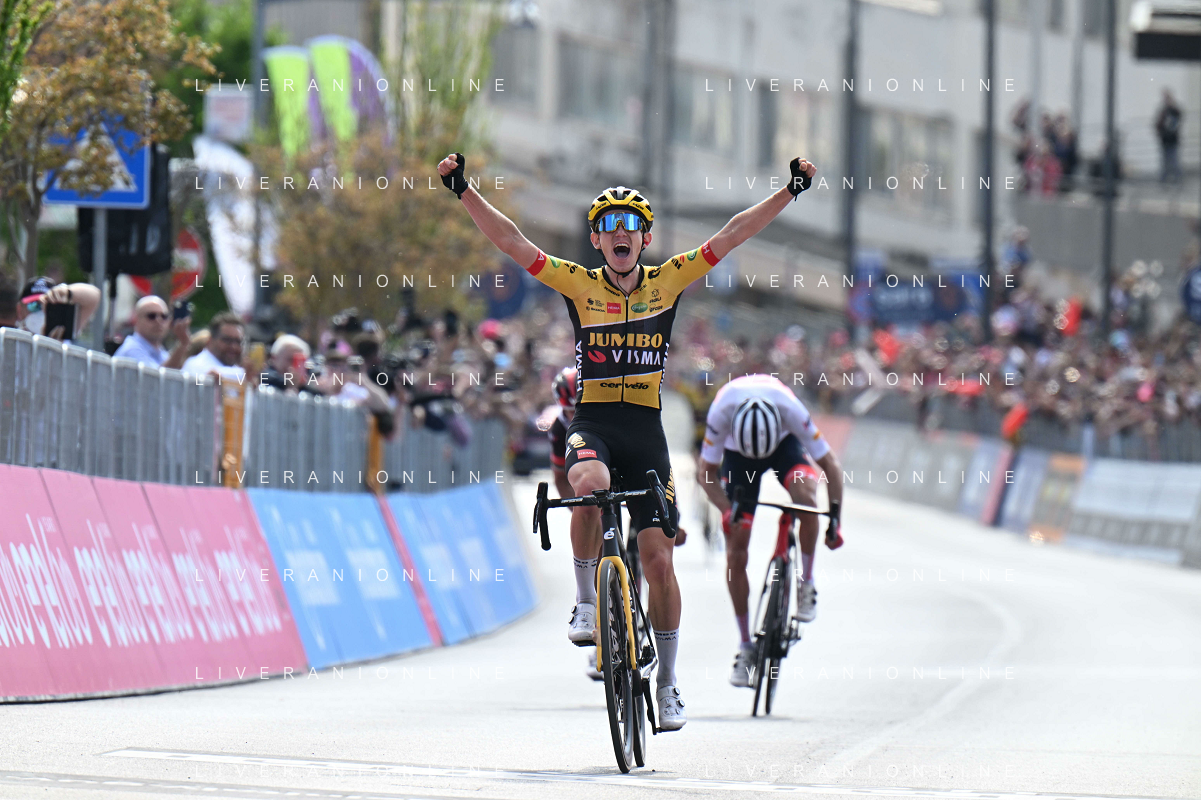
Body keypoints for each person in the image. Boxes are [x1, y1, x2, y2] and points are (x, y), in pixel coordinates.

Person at [437, 149, 817, 730]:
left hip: (646, 433)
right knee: (588, 485)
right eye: (610, 226)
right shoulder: (578, 283)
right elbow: (512, 241)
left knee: (659, 562)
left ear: (644, 239)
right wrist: (464, 189)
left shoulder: (669, 281)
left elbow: (733, 233)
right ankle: (586, 603)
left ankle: (667, 684)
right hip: (595, 422)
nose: (621, 233)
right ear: (596, 239)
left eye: (631, 225)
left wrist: (788, 191)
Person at [696, 374, 844, 688]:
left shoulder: (790, 408)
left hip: (784, 447)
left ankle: (806, 583)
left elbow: (830, 464)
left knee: (806, 499)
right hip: (738, 458)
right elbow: (705, 473)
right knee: (737, 550)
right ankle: (745, 646)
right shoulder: (721, 411)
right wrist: (727, 511)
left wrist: (835, 521)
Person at [113, 296, 192, 368]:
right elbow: (156, 377)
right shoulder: (131, 349)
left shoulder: (161, 353)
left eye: (164, 316)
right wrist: (183, 344)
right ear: (136, 320)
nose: (159, 321)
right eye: (151, 316)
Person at [15, 277, 101, 341]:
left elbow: (95, 296)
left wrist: (67, 293)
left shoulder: (65, 331)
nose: (42, 311)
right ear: (20, 310)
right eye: (34, 305)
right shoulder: (14, 341)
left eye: (48, 306)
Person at [182, 312, 246, 382]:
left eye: (238, 342)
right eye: (227, 340)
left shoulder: (238, 372)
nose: (233, 346)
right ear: (211, 340)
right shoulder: (194, 365)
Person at [1156, 89, 1183, 185]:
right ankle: (1165, 179)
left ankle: (1176, 178)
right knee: (1166, 161)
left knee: (1173, 160)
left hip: (1172, 140)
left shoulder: (1173, 110)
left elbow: (1179, 118)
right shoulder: (1163, 111)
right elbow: (1158, 124)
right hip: (1165, 140)